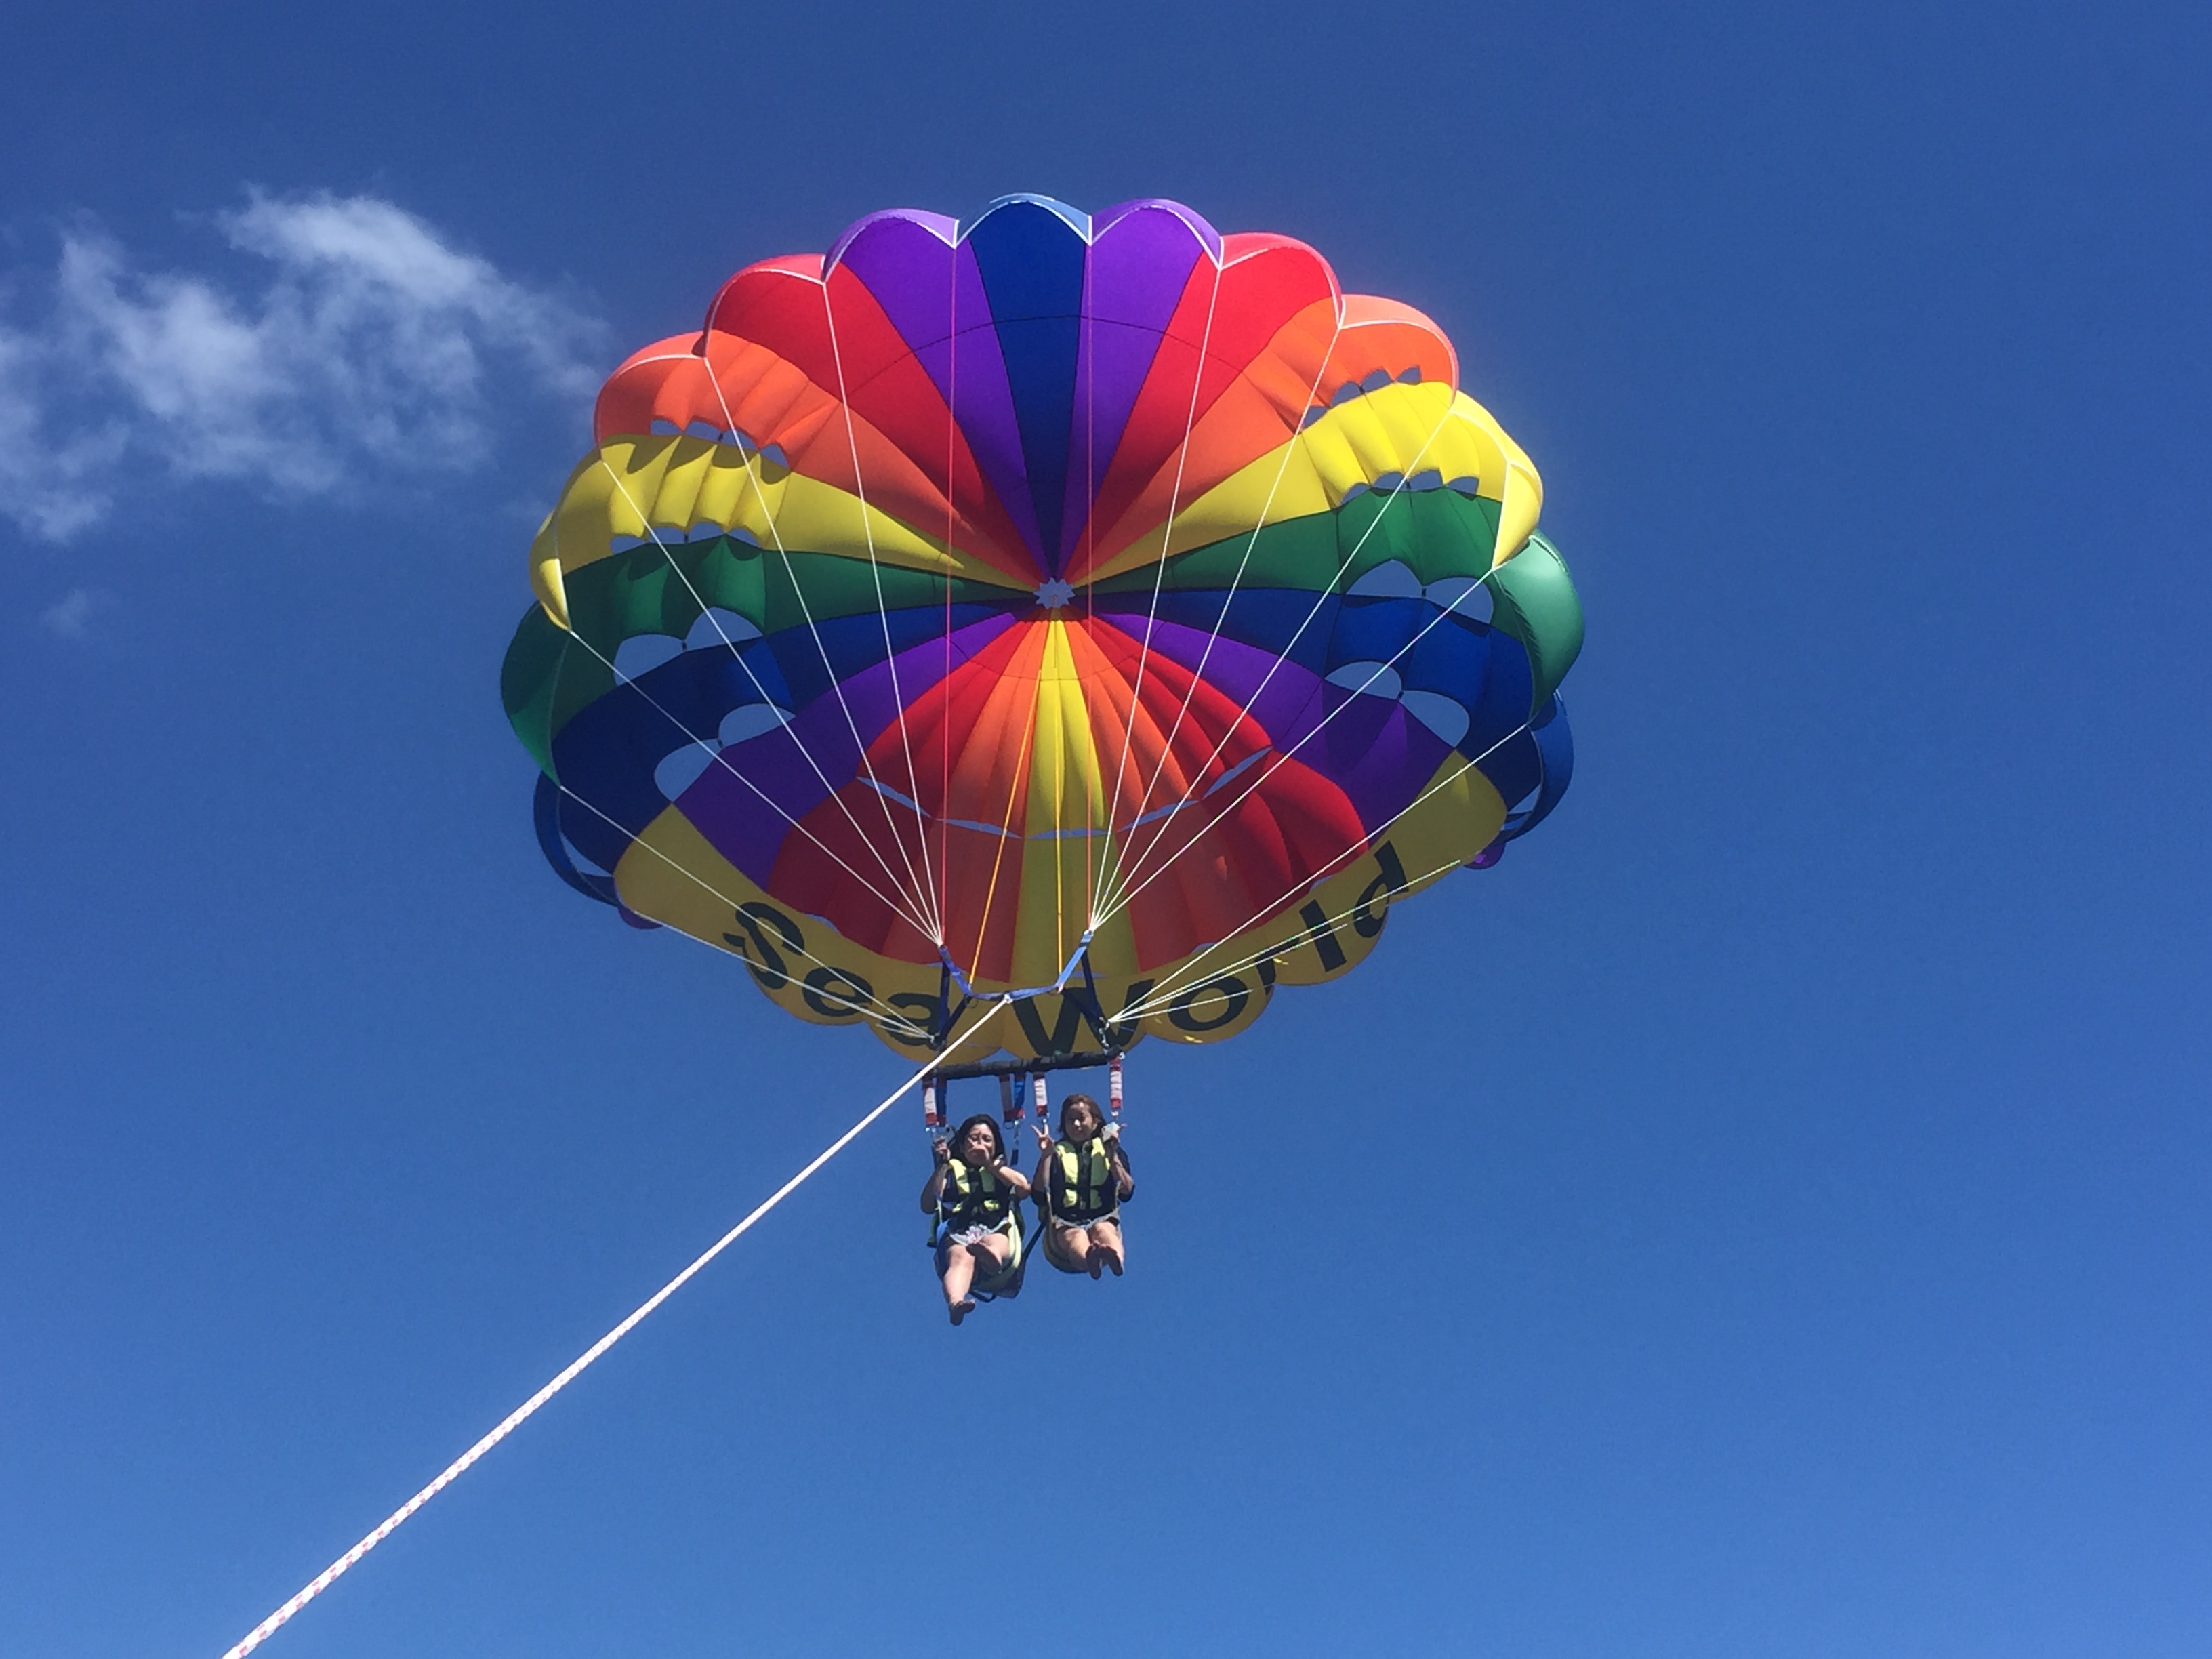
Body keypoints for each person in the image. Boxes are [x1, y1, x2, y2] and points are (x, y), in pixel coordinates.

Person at [921, 1113, 1031, 1325]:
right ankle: (956, 1303)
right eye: (974, 1138)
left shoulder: (1000, 1171)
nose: (980, 1143)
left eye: (986, 1139)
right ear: (963, 1147)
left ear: (995, 1146)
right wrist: (941, 1166)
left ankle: (991, 1259)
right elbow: (928, 1204)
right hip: (960, 1231)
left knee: (995, 1242)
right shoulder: (950, 1171)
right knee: (959, 1257)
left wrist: (991, 1165)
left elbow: (1024, 1188)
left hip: (996, 1227)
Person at [1031, 1092, 1134, 1278]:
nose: (1076, 1125)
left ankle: (1115, 1258)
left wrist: (1112, 1155)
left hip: (1103, 1215)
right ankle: (1089, 1259)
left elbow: (1127, 1191)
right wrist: (1046, 1156)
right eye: (1071, 1120)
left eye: (1081, 1118)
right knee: (1076, 1236)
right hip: (1066, 1221)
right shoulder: (1056, 1152)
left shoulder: (1109, 1149)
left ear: (1095, 1122)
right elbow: (1038, 1194)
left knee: (1104, 1230)